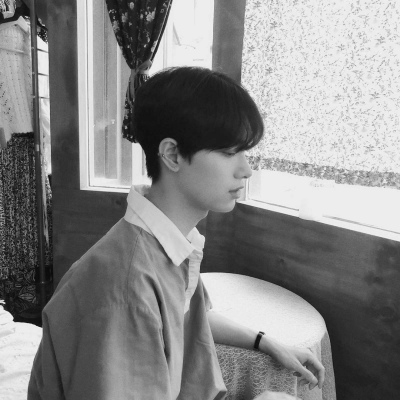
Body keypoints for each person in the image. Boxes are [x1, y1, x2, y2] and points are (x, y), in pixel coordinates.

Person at [28, 67, 324, 399]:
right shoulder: (125, 288)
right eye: (229, 153)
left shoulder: (166, 241)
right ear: (172, 154)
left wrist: (265, 341)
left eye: (245, 152)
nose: (246, 169)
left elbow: (184, 316)